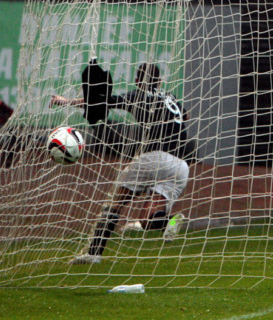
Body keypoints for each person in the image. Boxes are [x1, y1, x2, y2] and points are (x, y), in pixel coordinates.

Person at [51, 63, 192, 264]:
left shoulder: (137, 96)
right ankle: (170, 221)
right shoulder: (170, 97)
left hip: (155, 157)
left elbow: (98, 104)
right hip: (181, 165)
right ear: (159, 82)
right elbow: (186, 115)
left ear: (137, 81)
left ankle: (94, 254)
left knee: (115, 204)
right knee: (147, 219)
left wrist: (64, 101)